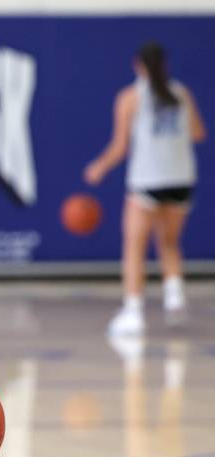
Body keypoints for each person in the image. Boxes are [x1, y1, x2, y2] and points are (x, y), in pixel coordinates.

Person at [84, 42, 207, 336]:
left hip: (148, 180)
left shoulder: (131, 97)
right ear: (164, 65)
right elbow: (199, 133)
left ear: (137, 65)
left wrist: (98, 167)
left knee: (134, 247)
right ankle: (175, 300)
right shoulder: (181, 93)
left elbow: (120, 146)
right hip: (180, 178)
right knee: (170, 242)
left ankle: (133, 312)